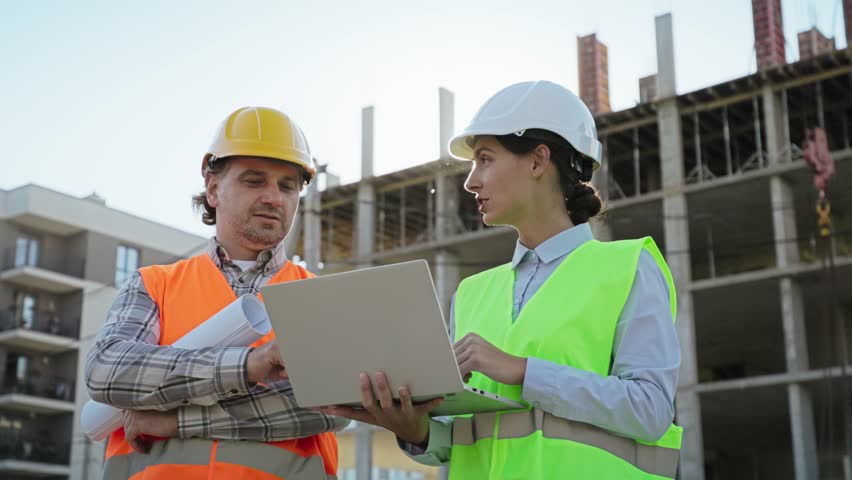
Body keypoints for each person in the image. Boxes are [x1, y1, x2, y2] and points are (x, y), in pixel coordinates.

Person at [321, 81, 683, 478]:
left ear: (537, 160)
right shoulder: (472, 293)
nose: (470, 181)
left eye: (485, 159)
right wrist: (415, 430)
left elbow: (651, 411)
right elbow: (462, 441)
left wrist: (524, 371)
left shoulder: (628, 266)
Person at [85, 106, 348, 480]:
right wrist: (248, 367)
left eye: (287, 186)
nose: (274, 197)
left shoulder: (321, 297)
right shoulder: (154, 284)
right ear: (212, 189)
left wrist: (178, 420)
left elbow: (330, 407)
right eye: (254, 181)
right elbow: (108, 372)